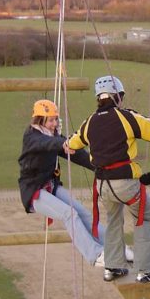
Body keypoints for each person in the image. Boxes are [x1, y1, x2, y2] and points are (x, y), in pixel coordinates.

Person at [68, 75, 150, 283]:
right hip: (125, 183)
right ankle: (146, 270)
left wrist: (66, 143)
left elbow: (73, 143)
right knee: (146, 218)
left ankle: (113, 267)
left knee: (114, 221)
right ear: (119, 96)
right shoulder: (127, 118)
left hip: (103, 185)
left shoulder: (90, 122)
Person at [18, 99, 134, 266]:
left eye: (55, 119)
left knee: (82, 212)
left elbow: (77, 155)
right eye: (50, 120)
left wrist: (99, 166)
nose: (54, 123)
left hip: (51, 186)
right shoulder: (32, 136)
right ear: (40, 120)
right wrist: (63, 143)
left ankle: (116, 247)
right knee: (69, 214)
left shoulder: (53, 135)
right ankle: (95, 254)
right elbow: (46, 144)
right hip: (33, 191)